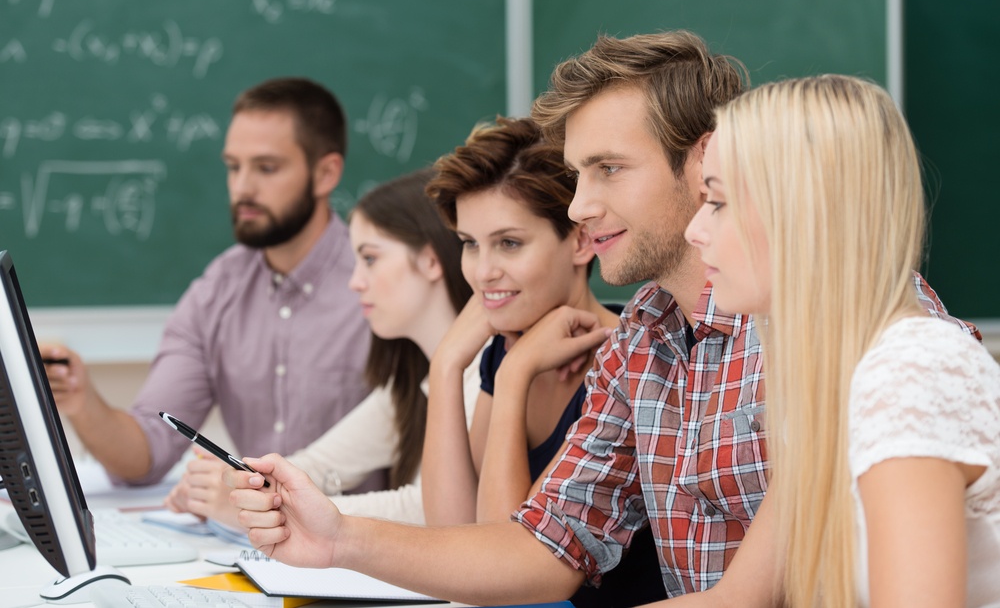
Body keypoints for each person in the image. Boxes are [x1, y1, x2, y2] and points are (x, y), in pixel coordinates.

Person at [223, 32, 978, 606]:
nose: (579, 206)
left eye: (608, 169)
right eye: (577, 174)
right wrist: (340, 537)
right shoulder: (642, 337)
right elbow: (543, 543)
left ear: (703, 158)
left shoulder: (845, 327)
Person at [676, 75, 1000, 607]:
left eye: (717, 201)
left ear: (802, 213)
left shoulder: (910, 374)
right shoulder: (836, 379)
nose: (696, 230)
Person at [40, 77, 373, 486]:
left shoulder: (379, 281)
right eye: (234, 167)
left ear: (325, 173)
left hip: (365, 539)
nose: (242, 188)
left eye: (266, 168)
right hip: (249, 542)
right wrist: (81, 401)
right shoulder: (217, 290)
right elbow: (146, 456)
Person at [420, 116, 665, 607]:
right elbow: (455, 536)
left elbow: (503, 570)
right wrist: (445, 366)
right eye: (470, 244)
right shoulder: (506, 350)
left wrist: (513, 380)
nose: (483, 271)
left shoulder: (629, 358)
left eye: (509, 243)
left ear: (579, 241)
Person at [163, 168, 481, 525]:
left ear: (430, 261)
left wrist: (274, 507)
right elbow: (320, 464)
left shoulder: (483, 374)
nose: (355, 282)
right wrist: (240, 483)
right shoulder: (411, 380)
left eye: (371, 259)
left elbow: (430, 511)